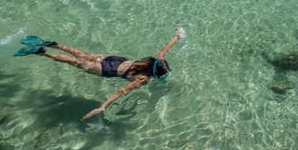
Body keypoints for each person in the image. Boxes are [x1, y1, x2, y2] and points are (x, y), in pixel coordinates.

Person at [14, 27, 185, 121]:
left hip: (113, 59)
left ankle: (49, 43)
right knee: (76, 62)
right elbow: (121, 92)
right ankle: (42, 52)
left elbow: (164, 51)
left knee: (79, 53)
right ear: (156, 73)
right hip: (107, 70)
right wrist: (102, 107)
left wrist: (177, 36)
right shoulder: (143, 79)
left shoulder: (151, 61)